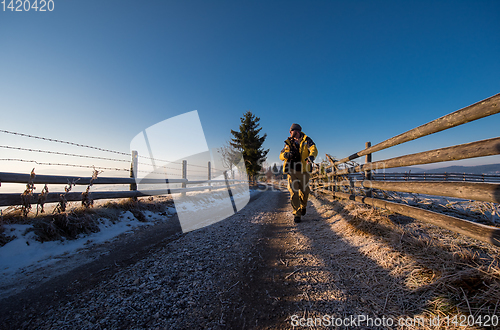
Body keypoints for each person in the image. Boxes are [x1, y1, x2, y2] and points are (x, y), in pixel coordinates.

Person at [279, 123, 318, 223]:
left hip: (303, 170)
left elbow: (314, 149)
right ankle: (297, 213)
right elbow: (281, 155)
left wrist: (311, 156)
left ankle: (303, 206)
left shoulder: (307, 140)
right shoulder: (288, 142)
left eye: (291, 131)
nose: (289, 132)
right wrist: (286, 155)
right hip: (291, 170)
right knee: (293, 192)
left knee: (305, 191)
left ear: (296, 131)